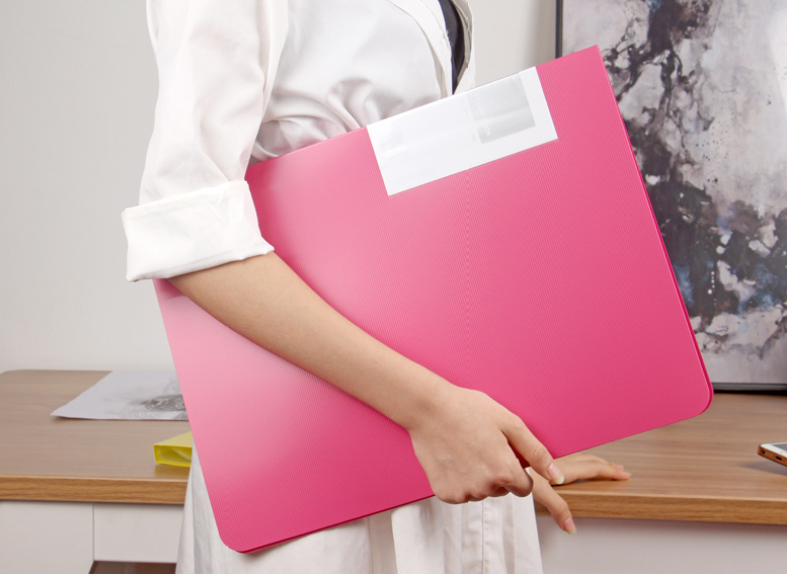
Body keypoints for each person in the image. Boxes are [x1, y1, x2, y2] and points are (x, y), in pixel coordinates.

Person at [122, 1, 629, 572]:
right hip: (320, 455)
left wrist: (508, 440)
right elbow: (189, 231)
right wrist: (434, 413)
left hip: (441, 427)